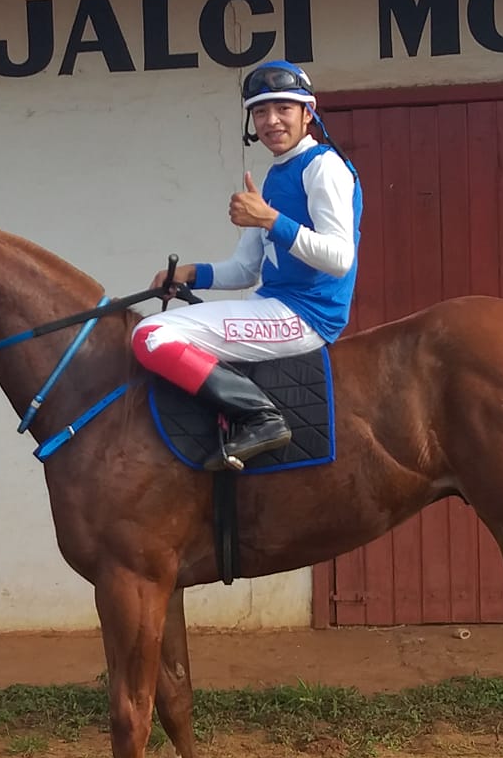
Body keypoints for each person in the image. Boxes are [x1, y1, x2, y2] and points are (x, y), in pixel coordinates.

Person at [134, 60, 363, 467]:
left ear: (308, 113)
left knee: (151, 336)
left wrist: (269, 219)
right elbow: (244, 269)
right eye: (260, 112)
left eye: (283, 109)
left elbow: (340, 259)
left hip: (307, 314)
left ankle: (261, 417)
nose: (271, 121)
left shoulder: (324, 167)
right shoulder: (275, 176)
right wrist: (190, 273)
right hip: (272, 302)